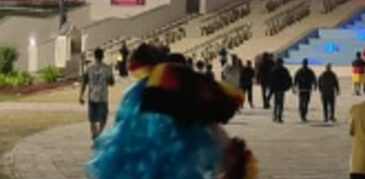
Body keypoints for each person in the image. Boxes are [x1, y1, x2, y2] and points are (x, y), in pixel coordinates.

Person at [86, 43, 257, 179]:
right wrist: (235, 160)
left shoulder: (135, 94)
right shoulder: (180, 90)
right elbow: (213, 128)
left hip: (137, 167)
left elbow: (121, 129)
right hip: (177, 166)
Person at [79, 47, 115, 140]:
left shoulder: (89, 68)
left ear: (94, 56)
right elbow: (112, 83)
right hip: (102, 97)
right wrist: (108, 79)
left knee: (92, 119)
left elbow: (84, 82)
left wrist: (81, 95)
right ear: (102, 56)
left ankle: (95, 134)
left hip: (92, 96)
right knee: (103, 118)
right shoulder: (107, 69)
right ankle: (99, 133)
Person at [269, 58, 292, 123]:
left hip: (277, 89)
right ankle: (278, 116)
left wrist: (271, 88)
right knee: (280, 103)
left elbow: (271, 80)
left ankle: (276, 116)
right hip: (280, 89)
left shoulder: (274, 70)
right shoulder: (284, 70)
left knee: (277, 103)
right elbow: (288, 78)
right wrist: (288, 86)